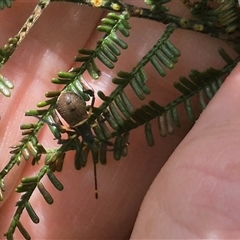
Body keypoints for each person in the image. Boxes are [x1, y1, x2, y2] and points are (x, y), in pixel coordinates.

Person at [0, 1, 239, 239]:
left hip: (73, 109)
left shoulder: (80, 128)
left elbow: (67, 127)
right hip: (73, 108)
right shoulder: (88, 125)